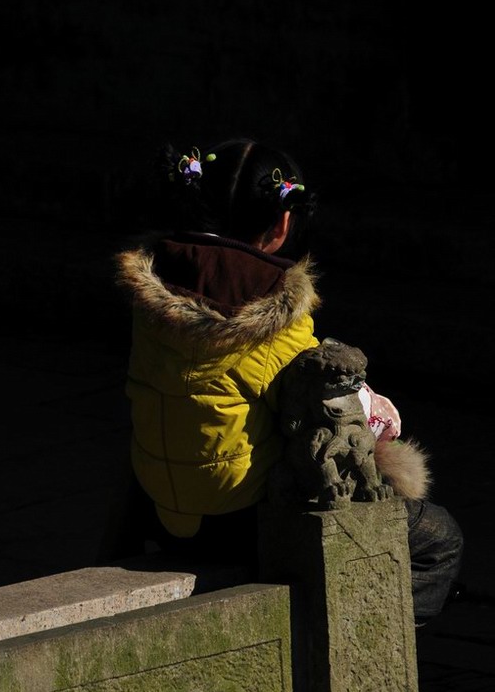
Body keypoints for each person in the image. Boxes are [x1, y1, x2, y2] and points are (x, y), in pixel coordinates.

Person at [107, 136, 463, 625]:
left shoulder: (152, 290)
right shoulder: (271, 310)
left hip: (164, 510)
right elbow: (326, 406)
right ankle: (355, 647)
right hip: (239, 521)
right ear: (283, 223)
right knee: (440, 539)